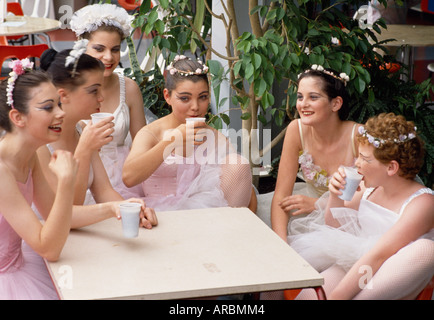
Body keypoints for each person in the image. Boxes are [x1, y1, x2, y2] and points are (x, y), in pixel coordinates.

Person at [290, 113, 434, 300]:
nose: (356, 163)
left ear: (391, 168)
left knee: (426, 249)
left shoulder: (423, 203)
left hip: (393, 274)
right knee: (311, 296)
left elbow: (379, 255)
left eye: (365, 159)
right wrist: (336, 196)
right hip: (359, 264)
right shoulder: (369, 188)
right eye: (358, 156)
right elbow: (335, 228)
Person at [38, 40, 157, 229]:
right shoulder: (39, 144)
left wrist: (132, 211)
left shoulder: (82, 130)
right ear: (64, 95)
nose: (101, 97)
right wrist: (84, 150)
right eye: (94, 90)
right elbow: (67, 211)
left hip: (82, 233)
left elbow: (103, 191)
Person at [122, 55, 255, 211]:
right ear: (167, 96)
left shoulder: (215, 138)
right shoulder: (151, 133)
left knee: (238, 163)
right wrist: (172, 141)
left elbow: (243, 188)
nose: (195, 107)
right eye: (185, 98)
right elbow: (129, 178)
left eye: (203, 97)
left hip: (204, 217)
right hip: (158, 213)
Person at [0, 59, 78, 299]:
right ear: (18, 117)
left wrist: (114, 208)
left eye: (59, 104)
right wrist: (66, 182)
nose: (61, 113)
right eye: (48, 107)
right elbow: (49, 249)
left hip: (21, 267)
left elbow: (56, 214)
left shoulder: (30, 156)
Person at [271, 65, 360, 242]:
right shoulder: (296, 129)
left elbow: (372, 199)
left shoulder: (358, 136)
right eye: (300, 97)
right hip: (309, 218)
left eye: (313, 97)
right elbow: (281, 195)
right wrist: (281, 243)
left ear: (336, 103)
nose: (303, 104)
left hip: (353, 219)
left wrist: (317, 204)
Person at [69, 3, 147, 197]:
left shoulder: (129, 88)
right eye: (99, 49)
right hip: (79, 176)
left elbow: (142, 143)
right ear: (81, 45)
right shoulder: (67, 90)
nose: (108, 57)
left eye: (115, 49)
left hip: (122, 179)